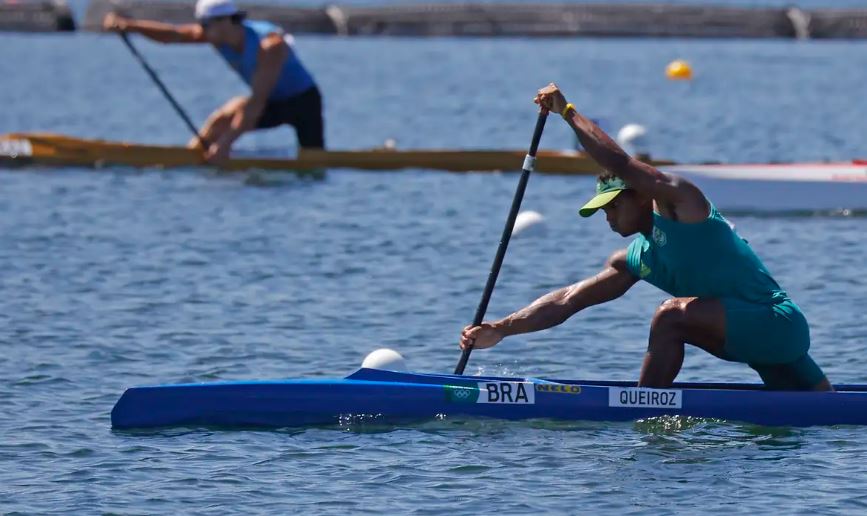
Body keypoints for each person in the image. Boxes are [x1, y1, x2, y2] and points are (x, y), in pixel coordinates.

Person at [459, 83, 832, 391]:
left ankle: (644, 406)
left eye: (612, 206)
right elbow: (568, 301)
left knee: (670, 316)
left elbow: (621, 164)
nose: (606, 216)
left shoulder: (683, 206)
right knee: (825, 408)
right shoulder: (637, 258)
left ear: (640, 195)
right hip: (760, 343)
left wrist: (567, 112)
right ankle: (647, 403)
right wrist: (500, 329)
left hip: (776, 323)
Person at [103, 0, 324, 164]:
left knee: (314, 161)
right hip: (270, 101)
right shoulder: (216, 35)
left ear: (227, 20)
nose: (201, 30)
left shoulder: (270, 46)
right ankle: (190, 157)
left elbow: (256, 103)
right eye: (201, 24)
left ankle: (215, 153)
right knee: (221, 118)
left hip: (303, 103)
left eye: (206, 24)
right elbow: (173, 35)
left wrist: (226, 144)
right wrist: (129, 26)